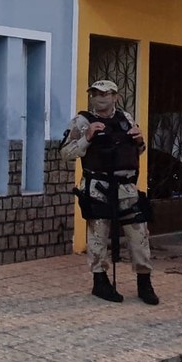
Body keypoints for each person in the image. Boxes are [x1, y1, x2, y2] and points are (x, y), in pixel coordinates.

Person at [61, 80, 159, 305]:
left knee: (139, 234)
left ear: (115, 96)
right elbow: (65, 153)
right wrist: (87, 137)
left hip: (126, 186)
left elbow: (138, 150)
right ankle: (100, 281)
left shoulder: (126, 118)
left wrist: (140, 140)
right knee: (98, 235)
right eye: (95, 94)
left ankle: (144, 282)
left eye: (105, 94)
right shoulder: (82, 121)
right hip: (97, 186)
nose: (100, 98)